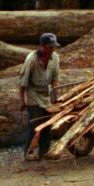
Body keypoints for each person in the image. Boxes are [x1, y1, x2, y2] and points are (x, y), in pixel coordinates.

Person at [19, 32, 60, 160]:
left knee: (47, 123)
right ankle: (28, 153)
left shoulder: (55, 57)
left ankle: (44, 152)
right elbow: (23, 83)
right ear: (42, 46)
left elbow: (55, 78)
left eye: (53, 47)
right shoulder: (31, 60)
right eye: (49, 47)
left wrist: (55, 93)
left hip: (46, 93)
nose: (52, 49)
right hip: (33, 93)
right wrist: (23, 101)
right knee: (35, 123)